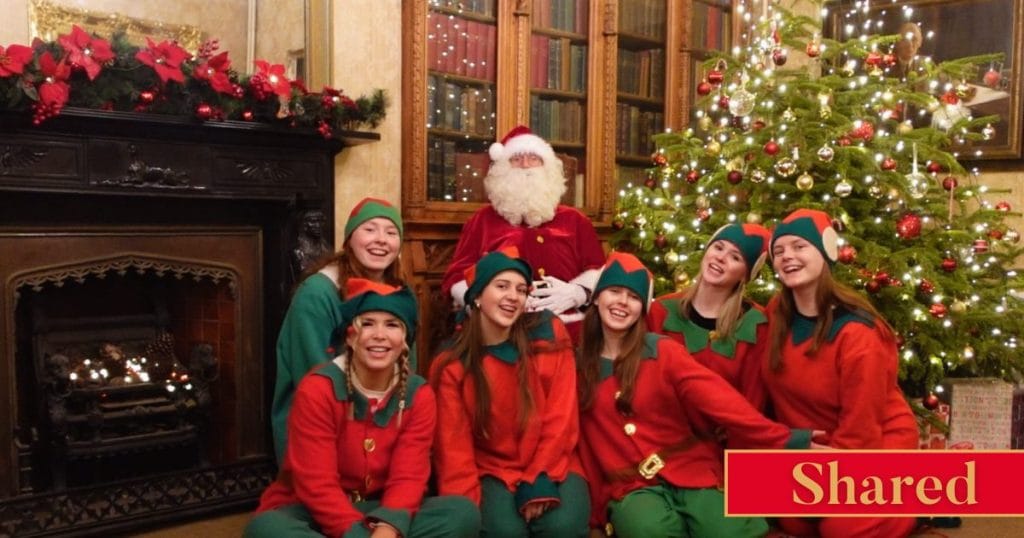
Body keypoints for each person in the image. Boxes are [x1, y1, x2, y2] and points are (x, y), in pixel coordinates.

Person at [576, 251, 815, 538]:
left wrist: (787, 439)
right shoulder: (577, 367)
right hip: (631, 487)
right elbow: (583, 443)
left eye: (634, 297)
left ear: (643, 308)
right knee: (648, 529)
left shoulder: (661, 351)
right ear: (598, 298)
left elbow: (723, 403)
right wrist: (594, 517)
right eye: (614, 291)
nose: (622, 302)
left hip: (692, 468)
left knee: (728, 528)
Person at [245, 279, 479, 538]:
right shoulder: (318, 389)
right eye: (367, 324)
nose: (379, 334)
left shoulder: (419, 394)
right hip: (312, 511)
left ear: (404, 341)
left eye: (392, 325)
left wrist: (389, 526)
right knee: (266, 529)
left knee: (461, 512)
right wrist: (357, 534)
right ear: (351, 337)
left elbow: (408, 477)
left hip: (382, 509)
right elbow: (316, 485)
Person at [764, 208, 919, 538]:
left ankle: (915, 501)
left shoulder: (859, 332)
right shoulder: (777, 313)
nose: (787, 256)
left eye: (799, 247)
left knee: (840, 528)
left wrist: (826, 487)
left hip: (872, 444)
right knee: (792, 521)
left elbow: (861, 429)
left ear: (825, 253)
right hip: (813, 450)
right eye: (779, 251)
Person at [430, 247, 589, 538]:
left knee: (562, 526)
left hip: (554, 461)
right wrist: (461, 514)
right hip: (492, 470)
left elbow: (561, 417)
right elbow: (453, 450)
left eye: (520, 289)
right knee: (504, 532)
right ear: (476, 296)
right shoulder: (451, 363)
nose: (513, 296)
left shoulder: (548, 334)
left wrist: (541, 476)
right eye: (501, 286)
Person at [272, 197, 407, 462]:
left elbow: (406, 364)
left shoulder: (400, 293)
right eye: (370, 229)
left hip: (380, 414)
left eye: (391, 232)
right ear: (349, 239)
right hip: (321, 420)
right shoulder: (318, 293)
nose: (381, 239)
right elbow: (312, 372)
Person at [441, 125, 605, 341]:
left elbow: (600, 270)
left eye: (534, 158)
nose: (526, 165)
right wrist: (490, 306)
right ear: (502, 169)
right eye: (516, 159)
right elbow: (456, 277)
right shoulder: (482, 220)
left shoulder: (576, 220)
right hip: (500, 332)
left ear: (547, 168)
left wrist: (578, 293)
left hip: (568, 332)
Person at [646, 223, 772, 410]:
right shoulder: (660, 311)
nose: (721, 258)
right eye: (718, 247)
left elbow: (753, 401)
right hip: (665, 431)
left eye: (735, 257)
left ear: (745, 276)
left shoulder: (756, 324)